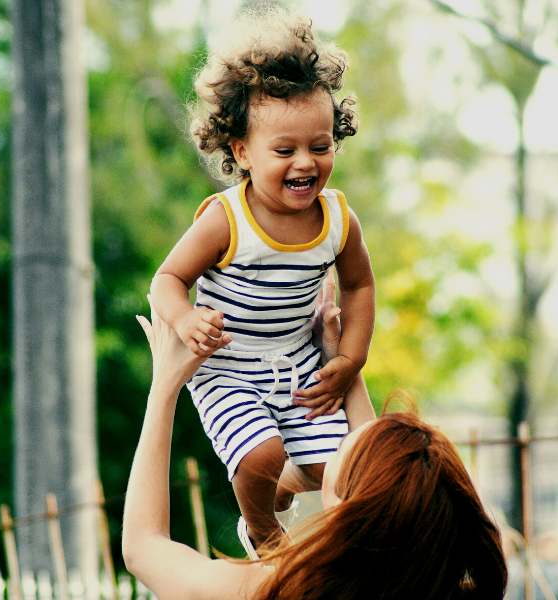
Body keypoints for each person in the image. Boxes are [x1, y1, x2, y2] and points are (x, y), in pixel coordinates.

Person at [149, 7, 375, 556]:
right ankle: (264, 537)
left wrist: (349, 360)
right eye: (284, 150)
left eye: (320, 146)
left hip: (297, 361)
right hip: (227, 366)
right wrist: (185, 318)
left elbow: (361, 288)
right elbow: (166, 279)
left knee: (335, 470)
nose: (305, 163)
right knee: (260, 456)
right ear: (242, 152)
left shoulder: (338, 219)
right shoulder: (226, 220)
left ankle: (284, 486)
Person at [124, 303, 508, 600]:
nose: (336, 441)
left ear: (347, 511)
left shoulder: (273, 591)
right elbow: (378, 479)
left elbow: (143, 548)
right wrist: (338, 360)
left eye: (338, 456)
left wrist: (165, 385)